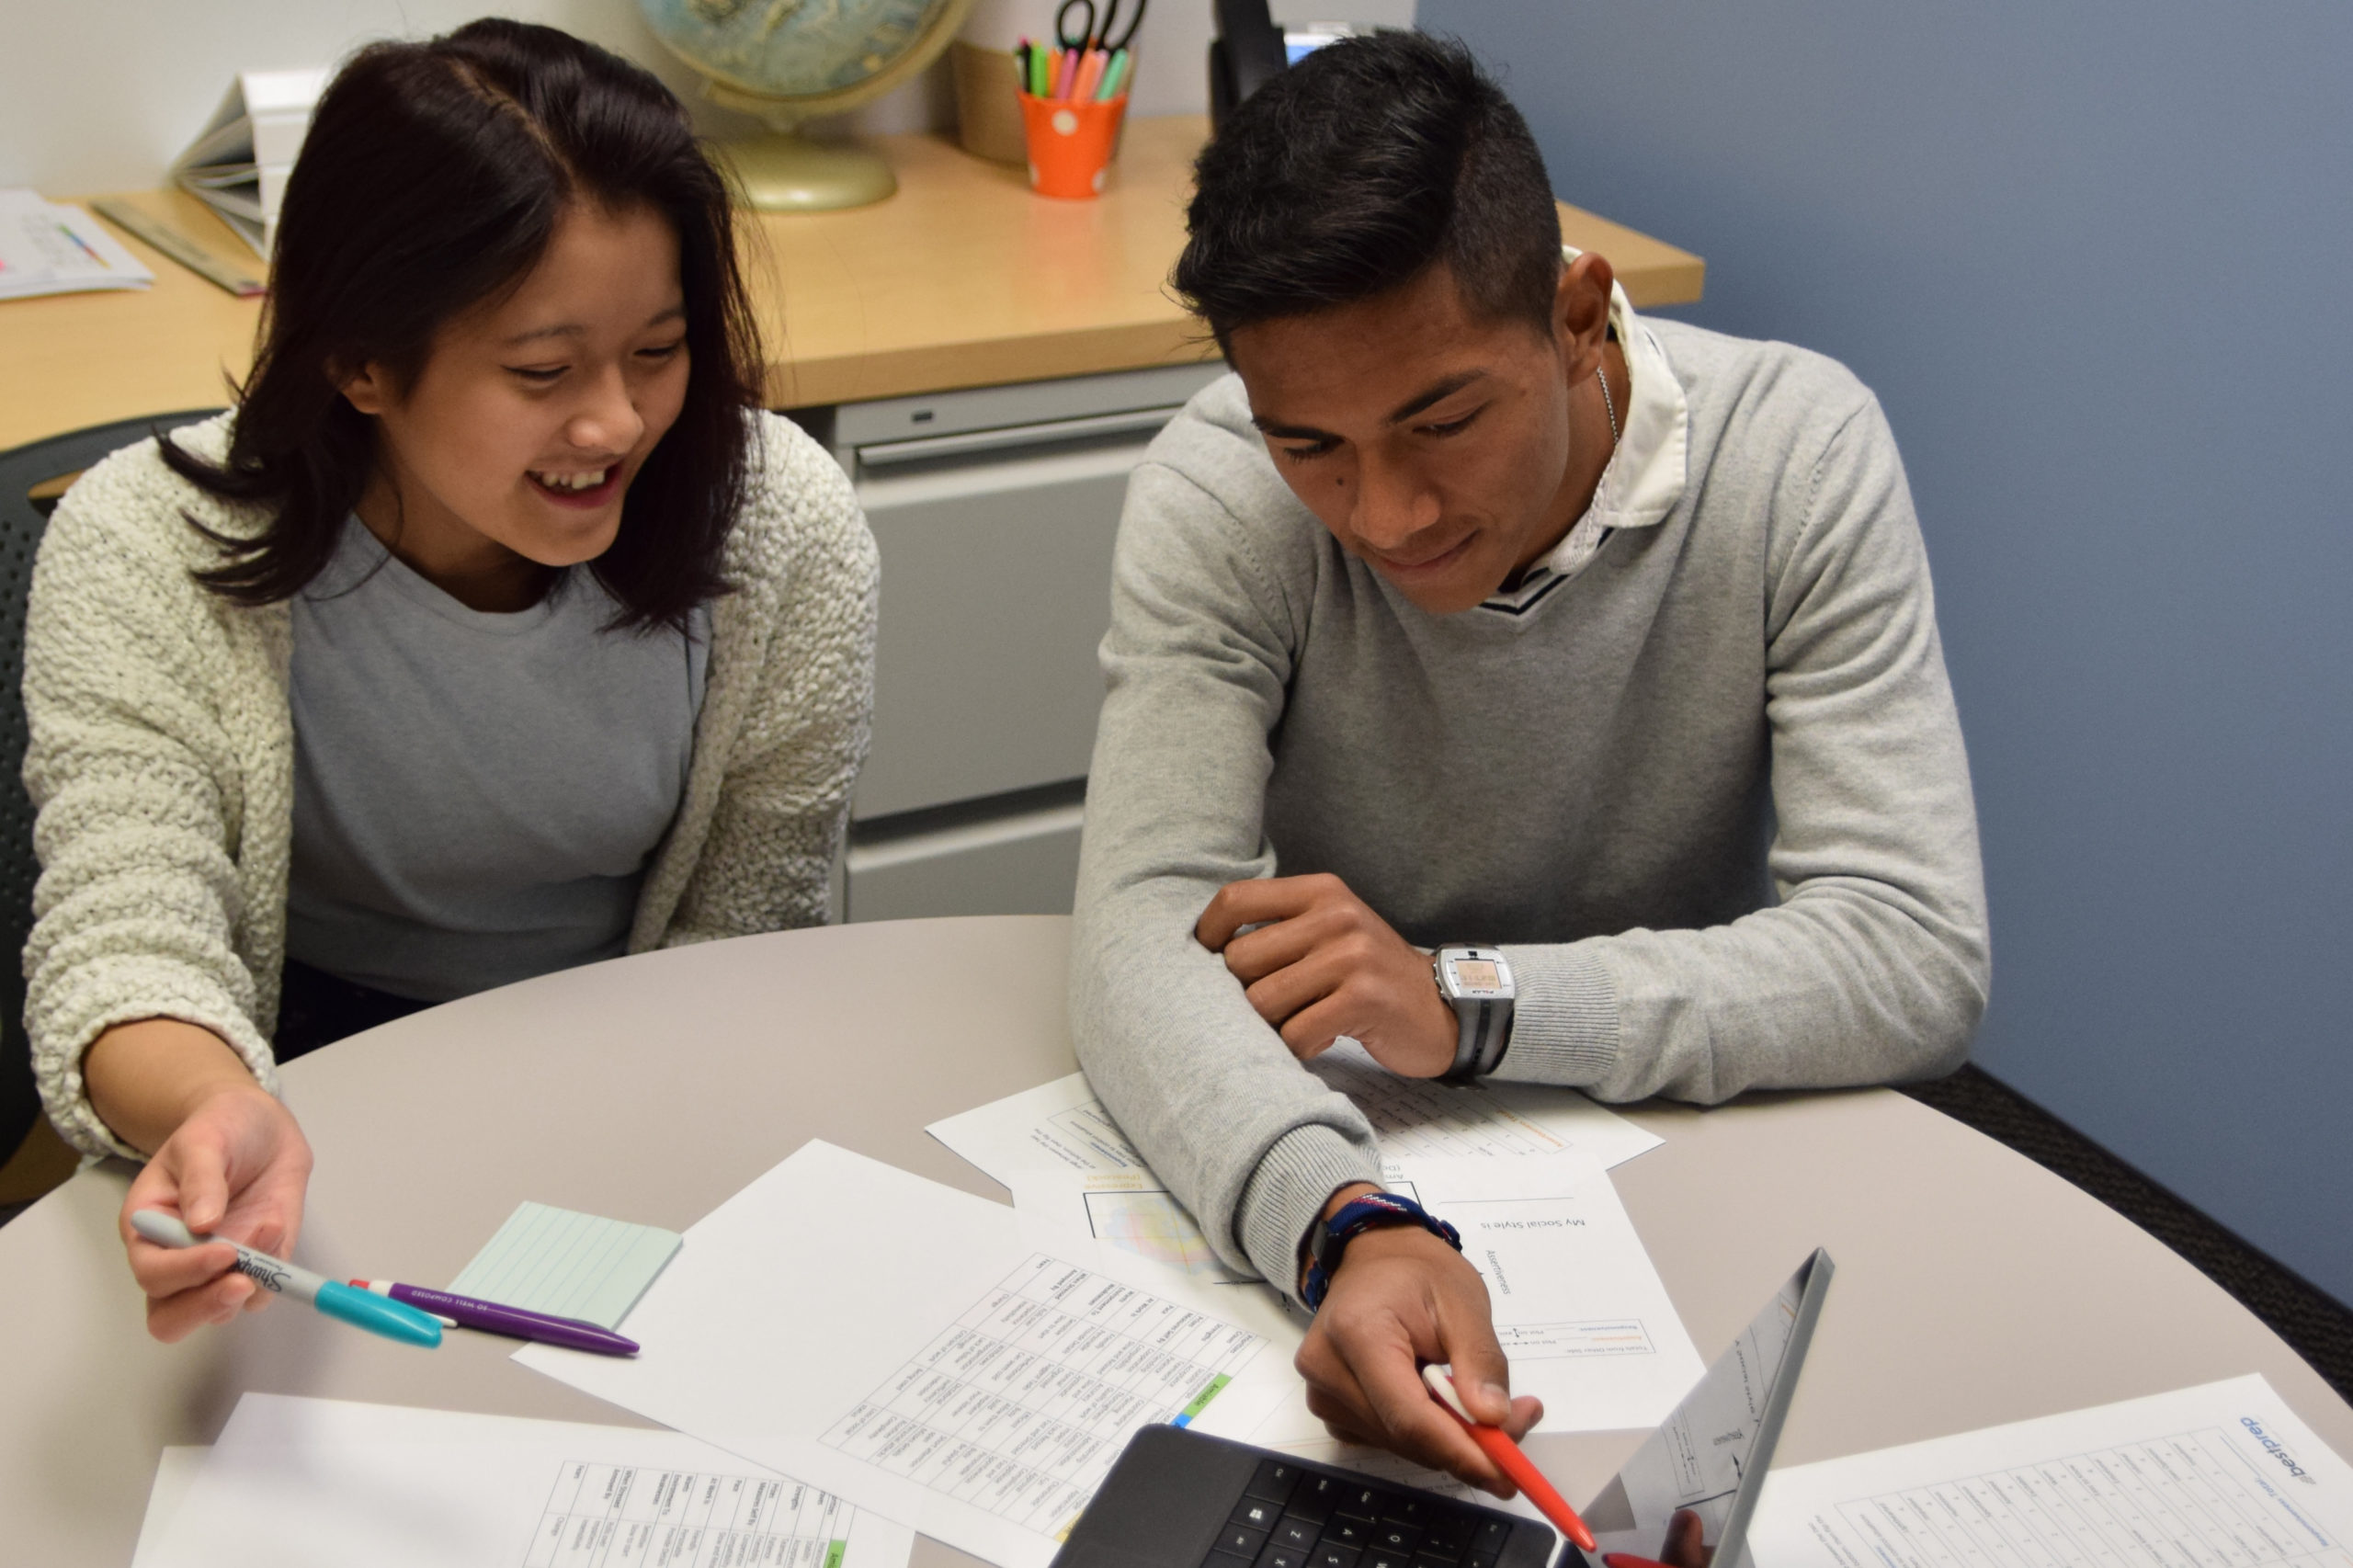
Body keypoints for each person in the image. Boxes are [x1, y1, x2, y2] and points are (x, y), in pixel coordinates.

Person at [1070, 31, 1989, 1500]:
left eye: (1443, 420)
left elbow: (1910, 952)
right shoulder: (1221, 491)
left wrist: (1472, 1001)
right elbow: (1140, 922)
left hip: (1698, 1153)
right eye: (1313, 443)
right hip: (1363, 1142)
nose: (1386, 512)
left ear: (1575, 314)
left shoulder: (1801, 453)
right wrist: (1343, 1221)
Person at [21, 20, 877, 1343]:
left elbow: (742, 941)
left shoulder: (780, 532)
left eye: (656, 350)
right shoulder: (151, 546)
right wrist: (213, 1109)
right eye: (542, 371)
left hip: (632, 1060)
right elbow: (126, 929)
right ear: (358, 361)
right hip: (299, 1075)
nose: (615, 423)